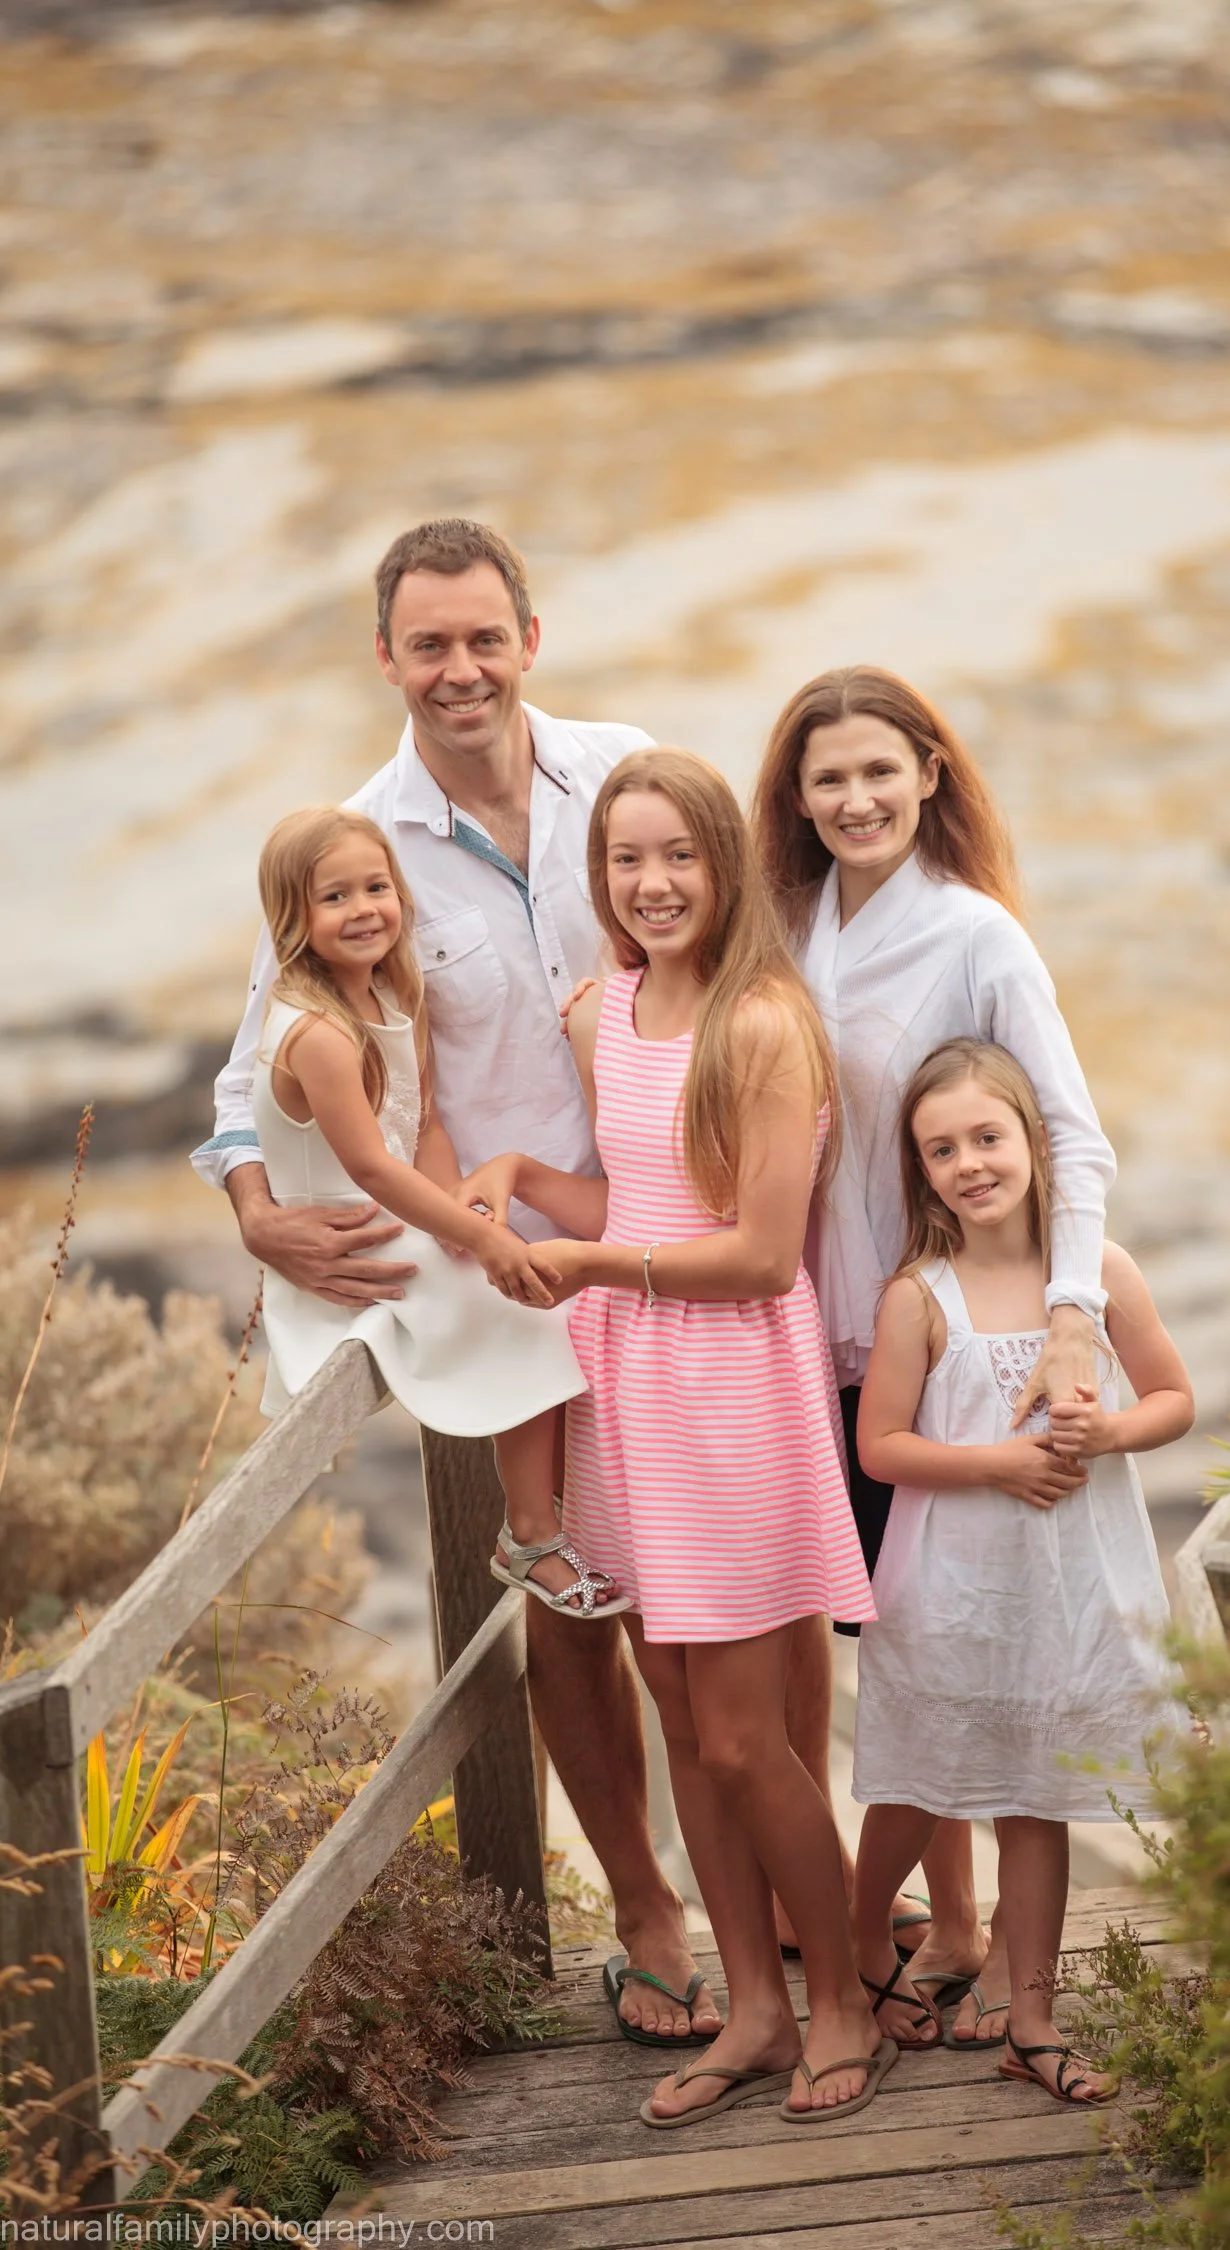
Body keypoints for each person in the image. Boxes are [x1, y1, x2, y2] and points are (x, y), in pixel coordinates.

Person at [191, 518, 720, 2044]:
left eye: (485, 635)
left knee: (725, 1586)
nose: (461, 667)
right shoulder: (353, 843)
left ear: (530, 636)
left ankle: (780, 1866)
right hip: (506, 1279)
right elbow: (257, 1064)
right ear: (386, 657)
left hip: (673, 1239)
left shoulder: (629, 774)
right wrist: (250, 1206)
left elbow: (738, 959)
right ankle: (646, 1906)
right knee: (570, 1605)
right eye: (429, 643)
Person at [462, 749, 894, 2127]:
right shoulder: (609, 1011)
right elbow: (636, 1188)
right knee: (679, 1714)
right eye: (625, 860)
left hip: (727, 1396)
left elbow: (763, 1256)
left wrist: (589, 1271)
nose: (650, 885)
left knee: (743, 1737)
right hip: (631, 1396)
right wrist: (530, 1183)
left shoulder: (766, 1028)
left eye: (678, 858)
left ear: (724, 865)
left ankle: (836, 2000)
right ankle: (753, 2011)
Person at [750, 665, 1118, 2040]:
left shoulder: (977, 935)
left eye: (878, 772)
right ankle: (953, 1928)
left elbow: (1071, 1134)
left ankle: (891, 1937)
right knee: (903, 1642)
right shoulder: (780, 929)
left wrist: (1074, 1306)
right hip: (808, 1337)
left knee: (932, 1639)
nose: (854, 798)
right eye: (825, 777)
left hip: (941, 1350)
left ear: (929, 774)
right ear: (794, 796)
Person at [851, 1038, 1193, 2098]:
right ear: (921, 1172)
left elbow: (1174, 1400)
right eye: (941, 1149)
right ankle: (858, 1953)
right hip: (953, 1590)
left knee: (1037, 1799)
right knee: (916, 1784)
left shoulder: (1094, 1282)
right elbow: (880, 1448)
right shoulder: (920, 1295)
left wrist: (1109, 1436)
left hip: (1065, 1591)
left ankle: (1033, 2023)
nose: (970, 1164)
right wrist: (999, 1461)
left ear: (1038, 1145)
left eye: (988, 1137)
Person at [248, 804, 618, 1617]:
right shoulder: (316, 1032)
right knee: (527, 1312)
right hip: (352, 1249)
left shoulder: (394, 994)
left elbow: (426, 1126)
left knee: (533, 1288)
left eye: (376, 886)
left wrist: (459, 1205)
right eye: (334, 897)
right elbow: (372, 1169)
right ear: (293, 918)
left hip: (407, 1218)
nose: (364, 909)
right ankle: (530, 1535)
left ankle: (572, 1519)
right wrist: (480, 1240)